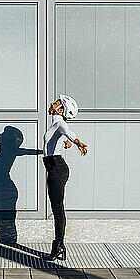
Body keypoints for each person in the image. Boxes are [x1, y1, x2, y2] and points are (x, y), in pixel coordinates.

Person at [42, 94, 88, 261]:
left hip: (57, 169)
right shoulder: (55, 124)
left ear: (61, 109)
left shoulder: (60, 123)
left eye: (57, 102)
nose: (52, 103)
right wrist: (67, 142)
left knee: (57, 209)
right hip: (55, 167)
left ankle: (59, 246)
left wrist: (77, 142)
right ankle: (59, 246)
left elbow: (68, 132)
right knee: (57, 208)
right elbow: (59, 138)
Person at [0, 126, 43, 245]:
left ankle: (10, 246)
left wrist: (45, 151)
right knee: (1, 221)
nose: (0, 134)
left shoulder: (10, 151)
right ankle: (7, 245)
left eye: (4, 133)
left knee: (6, 222)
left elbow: (26, 151)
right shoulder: (5, 152)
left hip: (5, 192)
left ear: (9, 140)